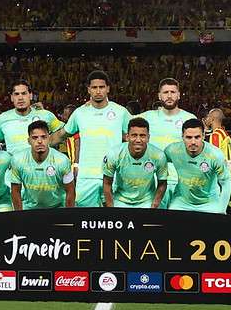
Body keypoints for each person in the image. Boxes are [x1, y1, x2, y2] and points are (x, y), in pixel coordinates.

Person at [51, 70, 130, 207]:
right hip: (86, 176)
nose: (98, 91)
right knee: (85, 220)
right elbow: (62, 134)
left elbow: (137, 135)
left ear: (108, 89)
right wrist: (45, 143)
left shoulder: (120, 112)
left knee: (115, 220)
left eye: (101, 87)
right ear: (89, 89)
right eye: (94, 87)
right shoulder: (80, 113)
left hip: (114, 175)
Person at [138, 78, 196, 208]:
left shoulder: (190, 118)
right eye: (165, 92)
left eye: (173, 92)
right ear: (159, 95)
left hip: (181, 182)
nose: (169, 96)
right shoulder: (146, 117)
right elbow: (124, 128)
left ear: (179, 94)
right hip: (153, 182)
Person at [164, 118, 231, 214]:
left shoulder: (215, 155)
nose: (193, 142)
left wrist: (222, 209)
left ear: (203, 136)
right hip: (181, 202)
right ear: (182, 137)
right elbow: (158, 163)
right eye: (188, 137)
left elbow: (226, 183)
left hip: (209, 203)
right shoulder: (172, 150)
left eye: (197, 137)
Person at [102, 117, 168, 208]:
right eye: (134, 135)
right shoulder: (114, 154)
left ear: (148, 137)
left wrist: (154, 206)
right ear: (127, 137)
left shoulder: (158, 155)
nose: (138, 140)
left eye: (142, 136)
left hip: (147, 201)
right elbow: (107, 183)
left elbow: (162, 183)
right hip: (120, 200)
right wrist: (111, 210)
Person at [10, 120, 76, 210]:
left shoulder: (62, 160)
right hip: (29, 208)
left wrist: (68, 216)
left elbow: (70, 190)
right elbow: (15, 191)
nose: (39, 141)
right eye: (35, 138)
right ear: (28, 141)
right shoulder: (18, 159)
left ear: (49, 139)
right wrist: (19, 216)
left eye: (43, 137)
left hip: (57, 207)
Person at [0, 80, 64, 157]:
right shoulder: (2, 119)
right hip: (14, 167)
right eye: (16, 94)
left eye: (24, 93)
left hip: (42, 166)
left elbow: (63, 133)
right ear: (12, 97)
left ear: (30, 95)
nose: (20, 98)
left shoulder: (46, 115)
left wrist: (50, 141)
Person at [205, 108, 231, 209]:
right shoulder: (225, 134)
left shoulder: (215, 135)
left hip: (219, 177)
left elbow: (215, 156)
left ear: (213, 118)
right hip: (227, 174)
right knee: (223, 207)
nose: (206, 119)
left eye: (208, 116)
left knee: (217, 208)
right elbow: (230, 156)